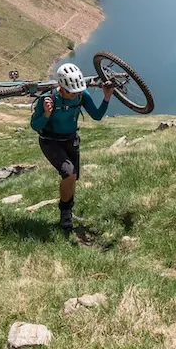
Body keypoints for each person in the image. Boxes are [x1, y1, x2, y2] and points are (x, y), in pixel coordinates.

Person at [31, 63, 113, 235]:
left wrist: (106, 97)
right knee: (70, 173)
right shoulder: (48, 99)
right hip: (50, 141)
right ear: (61, 86)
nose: (73, 94)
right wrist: (46, 114)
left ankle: (67, 209)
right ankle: (65, 211)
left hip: (71, 139)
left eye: (76, 91)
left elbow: (97, 116)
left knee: (73, 178)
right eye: (70, 91)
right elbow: (34, 125)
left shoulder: (81, 95)